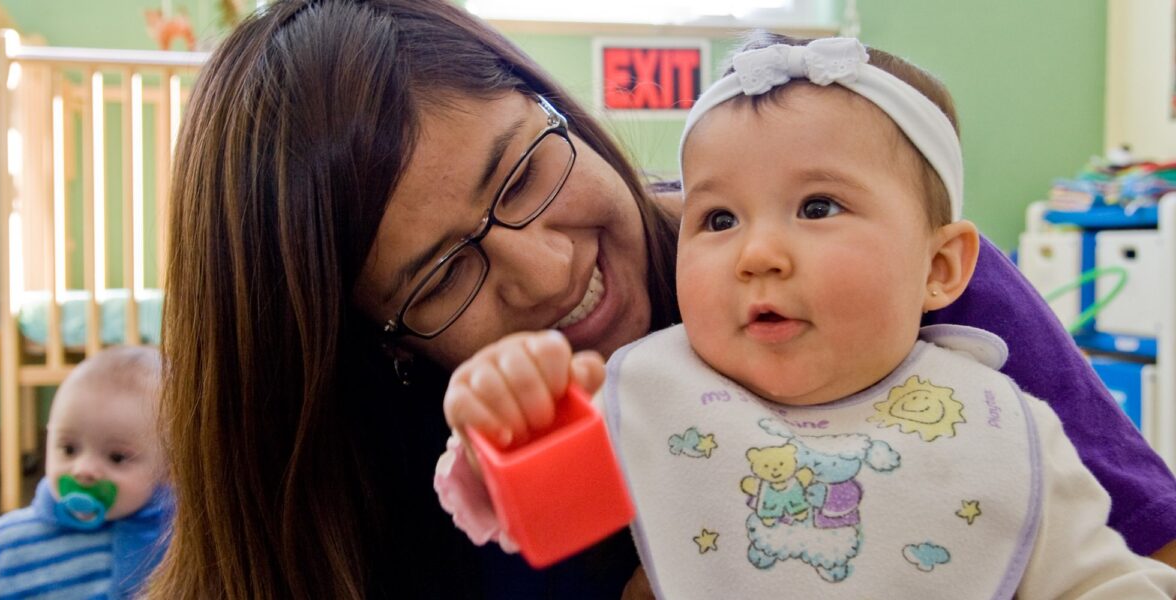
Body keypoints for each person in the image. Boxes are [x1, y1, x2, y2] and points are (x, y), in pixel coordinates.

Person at [150, 0, 1176, 597]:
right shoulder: (392, 473)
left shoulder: (897, 286)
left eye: (521, 172)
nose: (547, 270)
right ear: (376, 347)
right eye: (441, 275)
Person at [436, 35, 1176, 598]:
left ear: (941, 267)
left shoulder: (1003, 426)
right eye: (718, 218)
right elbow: (527, 498)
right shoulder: (646, 390)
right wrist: (506, 408)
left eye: (818, 207)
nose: (757, 252)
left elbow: (1105, 582)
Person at [0, 346, 171, 598]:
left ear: (169, 469)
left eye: (116, 457)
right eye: (69, 449)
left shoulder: (180, 543)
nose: (83, 469)